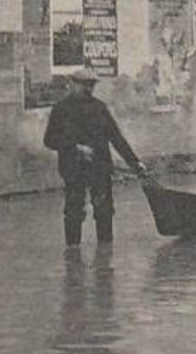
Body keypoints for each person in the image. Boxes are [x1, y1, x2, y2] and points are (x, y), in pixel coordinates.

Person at [42, 70, 148, 246]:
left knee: (104, 210)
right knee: (74, 211)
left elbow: (116, 138)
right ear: (72, 84)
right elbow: (49, 140)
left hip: (100, 168)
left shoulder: (100, 108)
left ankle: (105, 256)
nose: (88, 88)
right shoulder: (61, 109)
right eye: (84, 84)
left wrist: (136, 163)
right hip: (73, 169)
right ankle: (73, 252)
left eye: (91, 85)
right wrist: (75, 147)